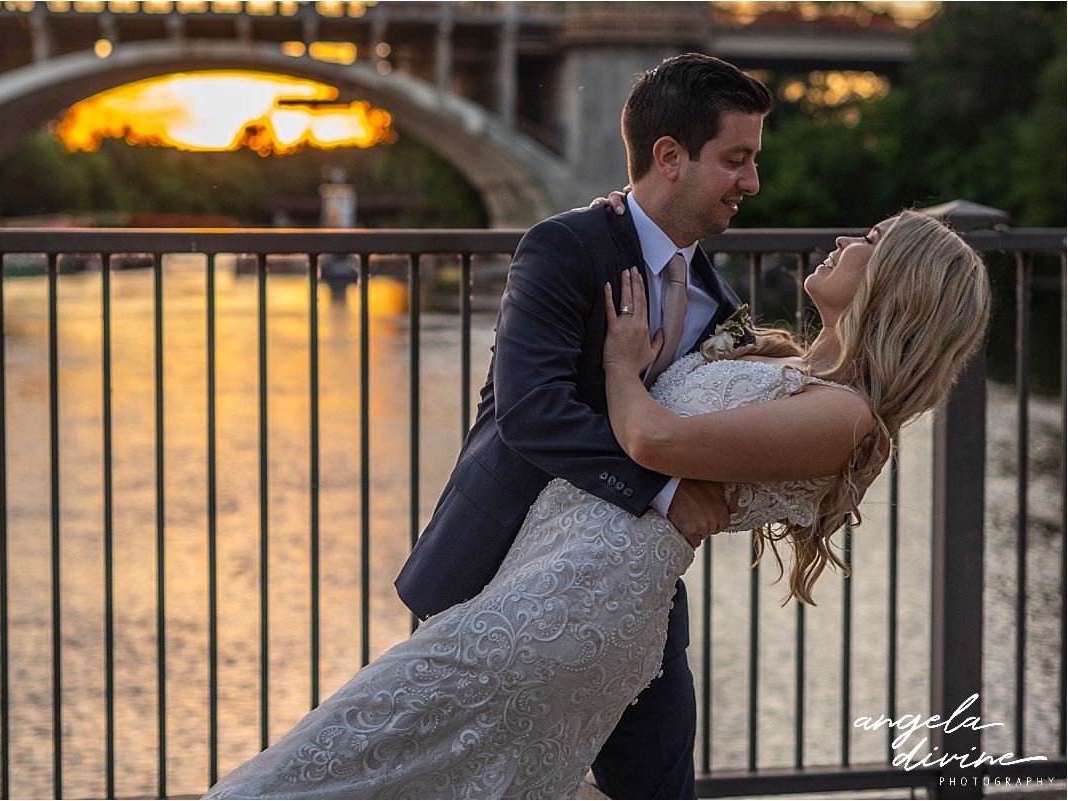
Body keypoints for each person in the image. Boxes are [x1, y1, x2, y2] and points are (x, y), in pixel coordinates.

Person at [203, 210, 990, 800]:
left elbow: (653, 441)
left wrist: (622, 366)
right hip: (547, 583)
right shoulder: (790, 366)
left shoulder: (845, 417)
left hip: (574, 605)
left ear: (899, 284)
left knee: (313, 768)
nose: (846, 241)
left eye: (872, 241)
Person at [394, 53, 771, 799]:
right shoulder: (563, 246)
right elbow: (531, 409)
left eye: (753, 160)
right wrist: (664, 492)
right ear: (669, 157)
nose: (752, 182)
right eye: (737, 158)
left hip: (632, 596)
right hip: (496, 576)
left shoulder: (714, 298)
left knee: (660, 790)